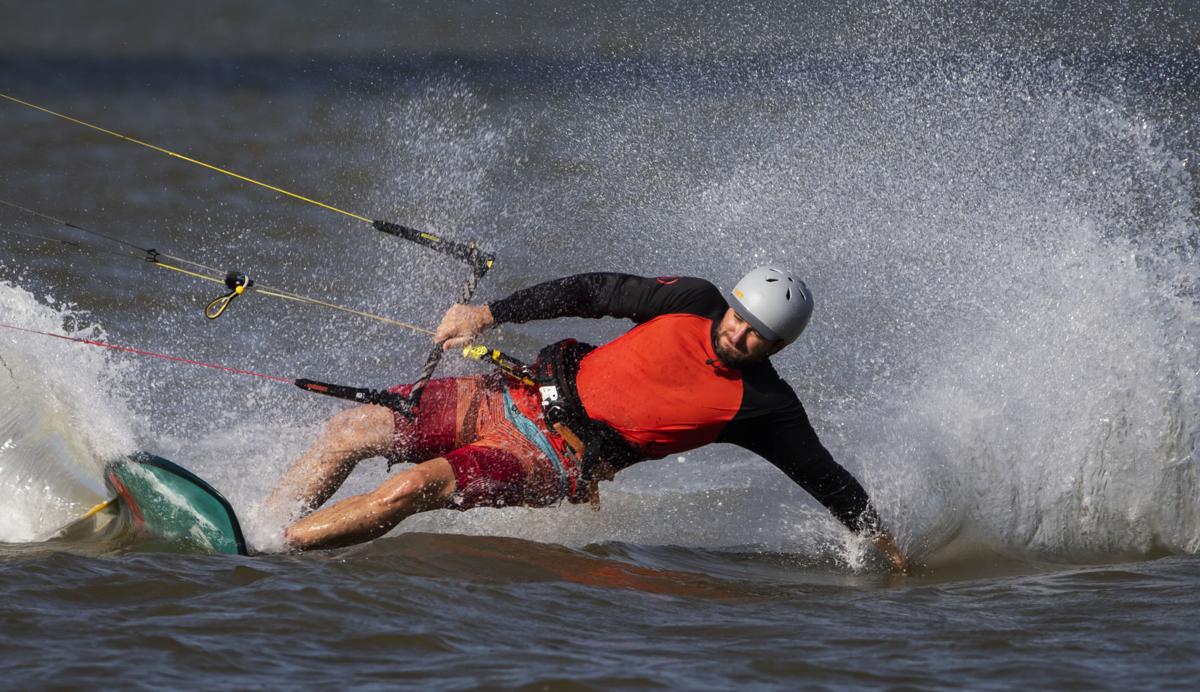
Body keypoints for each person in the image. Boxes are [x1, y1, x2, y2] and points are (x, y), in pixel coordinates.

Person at [266, 268, 907, 570]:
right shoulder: (690, 301)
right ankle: (261, 526)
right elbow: (591, 292)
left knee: (411, 488)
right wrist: (488, 315)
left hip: (552, 460)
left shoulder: (763, 405)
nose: (739, 336)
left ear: (779, 347)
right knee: (349, 431)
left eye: (759, 336)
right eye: (741, 318)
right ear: (731, 304)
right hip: (511, 394)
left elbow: (825, 477)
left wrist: (882, 543)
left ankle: (268, 556)